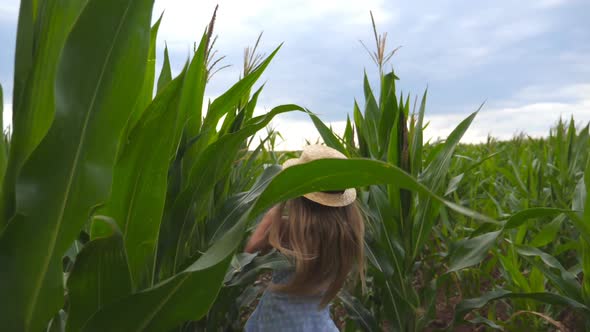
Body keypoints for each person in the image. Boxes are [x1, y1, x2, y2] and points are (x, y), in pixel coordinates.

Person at [243, 144, 365, 332]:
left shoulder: (282, 228)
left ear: (297, 191)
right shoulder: (345, 234)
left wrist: (277, 207)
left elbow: (248, 254)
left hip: (277, 321)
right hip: (316, 324)